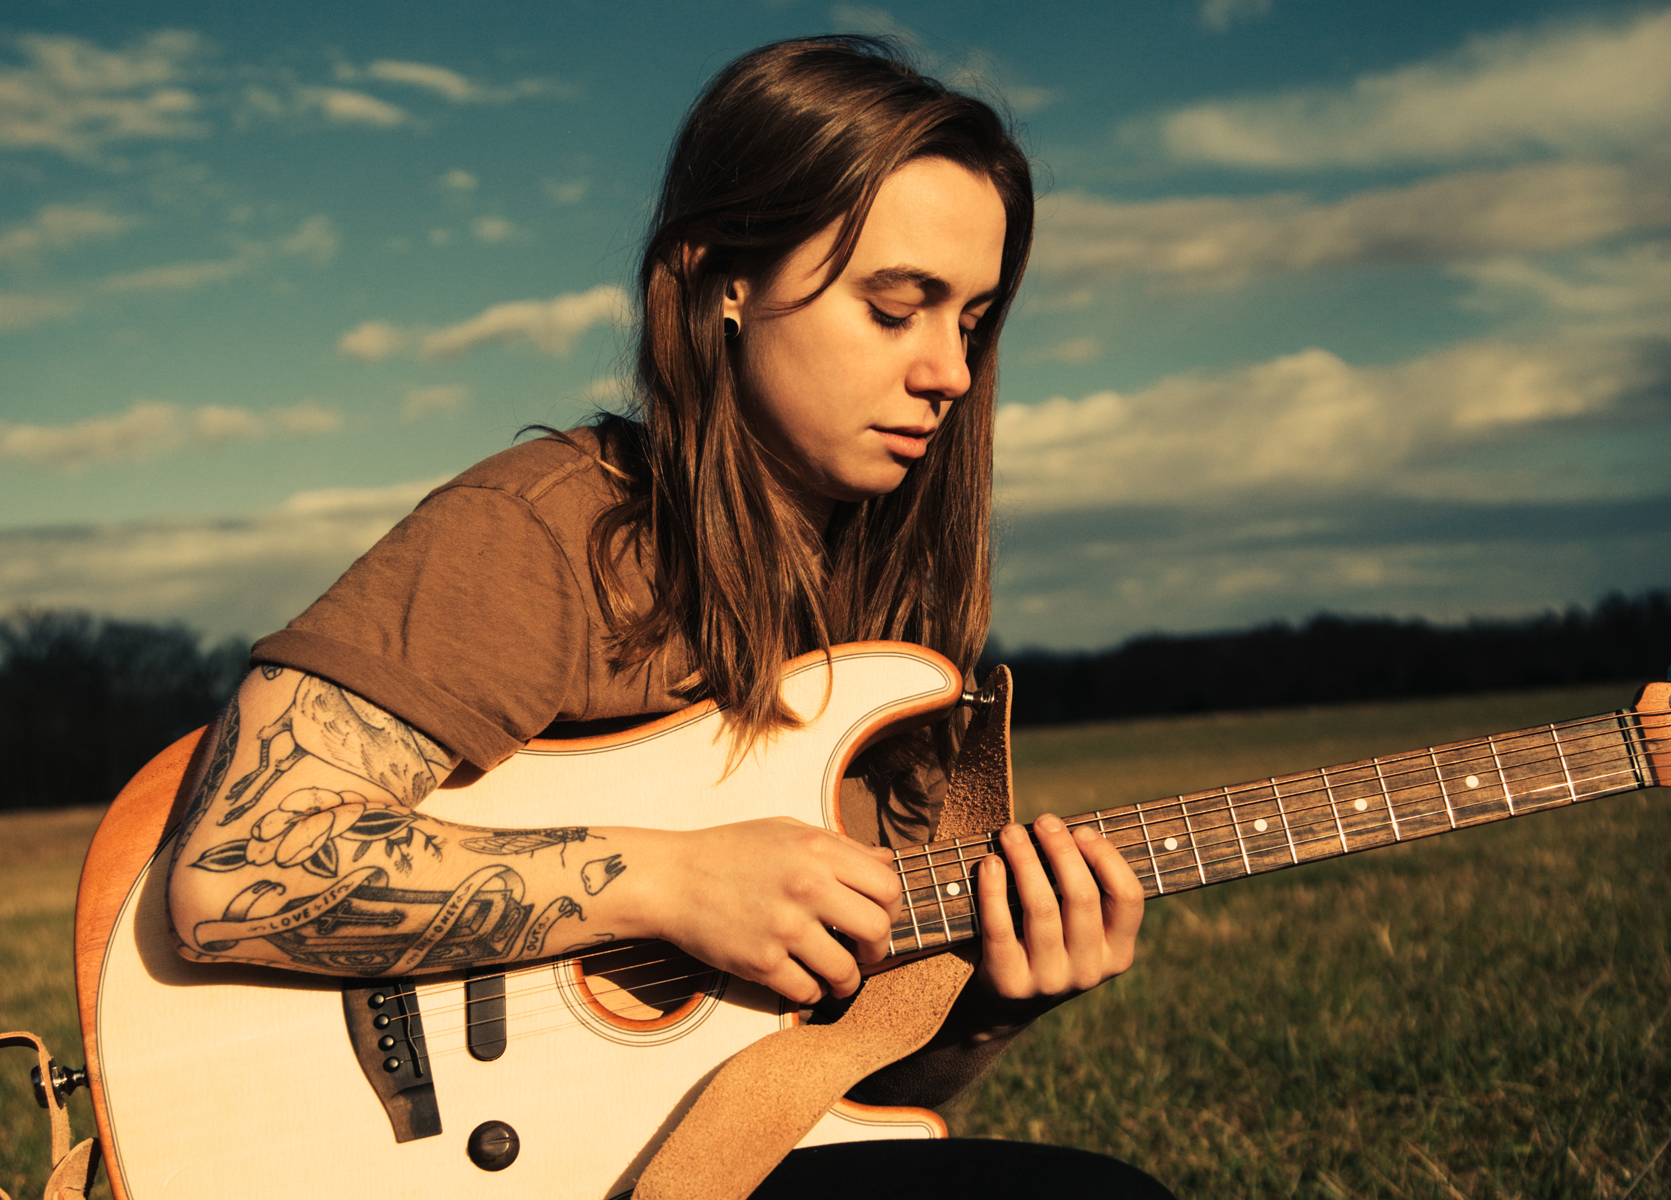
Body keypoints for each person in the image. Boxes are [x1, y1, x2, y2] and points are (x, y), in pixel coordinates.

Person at [166, 35, 1168, 1198]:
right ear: (719, 279)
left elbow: (843, 1102)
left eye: (973, 320)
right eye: (897, 309)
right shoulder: (554, 531)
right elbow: (233, 869)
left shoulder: (903, 640)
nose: (948, 368)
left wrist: (990, 1009)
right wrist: (675, 886)